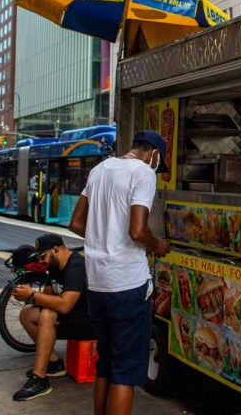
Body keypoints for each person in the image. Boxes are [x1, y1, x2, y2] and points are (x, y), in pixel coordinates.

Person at [68, 130, 171, 415]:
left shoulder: (101, 169)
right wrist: (157, 245)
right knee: (125, 371)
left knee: (106, 365)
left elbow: (76, 223)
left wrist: (105, 238)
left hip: (98, 283)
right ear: (154, 154)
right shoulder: (143, 174)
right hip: (127, 284)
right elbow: (138, 230)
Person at [11, 233, 94, 402]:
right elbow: (48, 296)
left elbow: (64, 305)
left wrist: (33, 294)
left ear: (56, 250)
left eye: (43, 256)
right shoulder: (54, 265)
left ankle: (40, 379)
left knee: (48, 314)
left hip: (88, 321)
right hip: (69, 317)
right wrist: (25, 295)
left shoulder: (76, 266)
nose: (41, 261)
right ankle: (54, 363)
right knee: (27, 313)